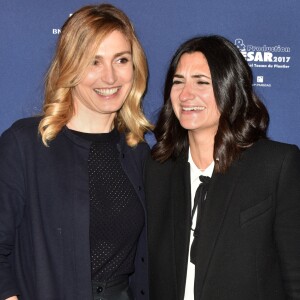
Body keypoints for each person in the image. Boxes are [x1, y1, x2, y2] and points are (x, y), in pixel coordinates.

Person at [0, 4, 152, 300]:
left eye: (121, 60)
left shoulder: (138, 154)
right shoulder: (26, 145)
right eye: (93, 62)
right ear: (70, 67)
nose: (109, 77)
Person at [145, 35, 300, 300]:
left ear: (229, 87)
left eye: (202, 82)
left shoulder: (276, 165)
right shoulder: (157, 168)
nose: (185, 94)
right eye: (178, 82)